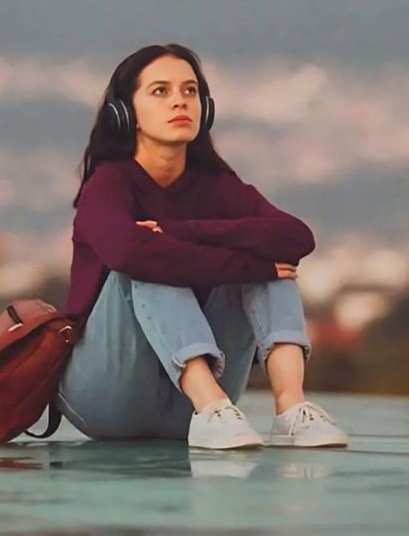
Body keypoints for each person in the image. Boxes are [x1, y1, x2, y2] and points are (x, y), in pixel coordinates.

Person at [55, 42, 348, 451]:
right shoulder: (107, 185)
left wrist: (180, 232)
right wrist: (237, 262)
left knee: (270, 263)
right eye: (160, 91)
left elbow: (296, 238)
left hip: (185, 412)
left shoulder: (217, 186)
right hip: (104, 397)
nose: (180, 101)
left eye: (190, 91)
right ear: (126, 113)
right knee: (147, 264)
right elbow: (128, 253)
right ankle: (210, 405)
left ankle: (291, 409)